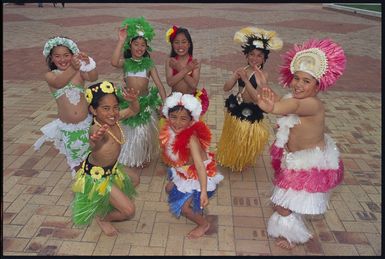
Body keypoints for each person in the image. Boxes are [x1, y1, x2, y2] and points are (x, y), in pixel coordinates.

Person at [254, 38, 346, 249]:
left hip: (309, 165)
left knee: (282, 205)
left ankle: (292, 237)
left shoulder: (312, 104)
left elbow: (287, 106)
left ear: (318, 85)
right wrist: (264, 88)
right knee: (285, 203)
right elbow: (282, 102)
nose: (298, 84)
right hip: (294, 159)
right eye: (296, 78)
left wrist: (272, 108)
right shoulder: (296, 99)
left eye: (306, 81)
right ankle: (292, 233)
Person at [72, 81, 139, 236]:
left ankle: (110, 201)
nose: (112, 112)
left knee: (134, 179)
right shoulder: (96, 129)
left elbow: (134, 110)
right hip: (98, 177)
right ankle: (103, 217)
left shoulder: (114, 119)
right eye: (106, 108)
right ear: (93, 110)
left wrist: (133, 101)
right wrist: (95, 139)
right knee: (129, 211)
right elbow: (93, 143)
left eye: (115, 107)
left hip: (112, 169)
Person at [216, 27, 283, 172]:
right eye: (251, 54)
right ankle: (231, 157)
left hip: (251, 109)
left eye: (259, 55)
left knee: (244, 138)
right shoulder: (243, 69)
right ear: (246, 55)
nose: (255, 58)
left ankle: (241, 159)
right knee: (234, 134)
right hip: (237, 106)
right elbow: (226, 88)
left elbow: (257, 97)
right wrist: (235, 76)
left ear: (265, 58)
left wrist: (246, 80)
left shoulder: (263, 74)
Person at [159, 92, 224, 239]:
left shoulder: (191, 140)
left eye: (183, 119)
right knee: (169, 188)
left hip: (200, 176)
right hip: (184, 172)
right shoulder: (169, 132)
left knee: (185, 208)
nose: (177, 122)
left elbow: (200, 167)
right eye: (173, 117)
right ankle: (197, 207)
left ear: (190, 121)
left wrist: (203, 192)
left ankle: (203, 224)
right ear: (167, 116)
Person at [34, 36, 98, 177]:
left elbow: (93, 77)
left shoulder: (79, 72)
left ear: (73, 55)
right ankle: (82, 190)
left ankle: (95, 189)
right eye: (57, 56)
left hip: (86, 125)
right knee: (77, 164)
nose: (62, 59)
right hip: (69, 130)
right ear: (51, 58)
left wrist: (88, 63)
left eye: (66, 55)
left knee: (93, 159)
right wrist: (73, 67)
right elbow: (59, 83)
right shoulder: (50, 75)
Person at [111, 16, 166, 171]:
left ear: (147, 48)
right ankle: (130, 155)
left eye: (143, 45)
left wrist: (166, 104)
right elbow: (114, 62)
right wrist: (121, 40)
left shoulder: (149, 65)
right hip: (129, 103)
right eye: (136, 44)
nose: (140, 48)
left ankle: (144, 155)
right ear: (130, 45)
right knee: (131, 133)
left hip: (145, 103)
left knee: (145, 134)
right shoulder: (126, 63)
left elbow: (160, 85)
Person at [165, 25, 209, 116]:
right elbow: (170, 82)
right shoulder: (170, 61)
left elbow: (193, 84)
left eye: (184, 42)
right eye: (176, 42)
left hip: (190, 102)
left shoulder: (195, 62)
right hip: (174, 101)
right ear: (172, 45)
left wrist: (179, 68)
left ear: (189, 44)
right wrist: (187, 69)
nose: (180, 45)